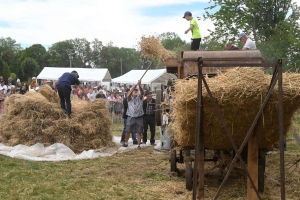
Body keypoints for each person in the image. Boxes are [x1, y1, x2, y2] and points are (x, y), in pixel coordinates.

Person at [123, 80, 144, 149]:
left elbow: (142, 93)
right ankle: (126, 143)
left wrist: (139, 86)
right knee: (128, 130)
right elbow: (128, 94)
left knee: (139, 131)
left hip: (139, 116)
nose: (135, 91)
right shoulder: (129, 98)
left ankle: (138, 145)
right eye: (134, 90)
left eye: (136, 90)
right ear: (131, 92)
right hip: (131, 116)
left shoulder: (139, 97)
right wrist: (133, 87)